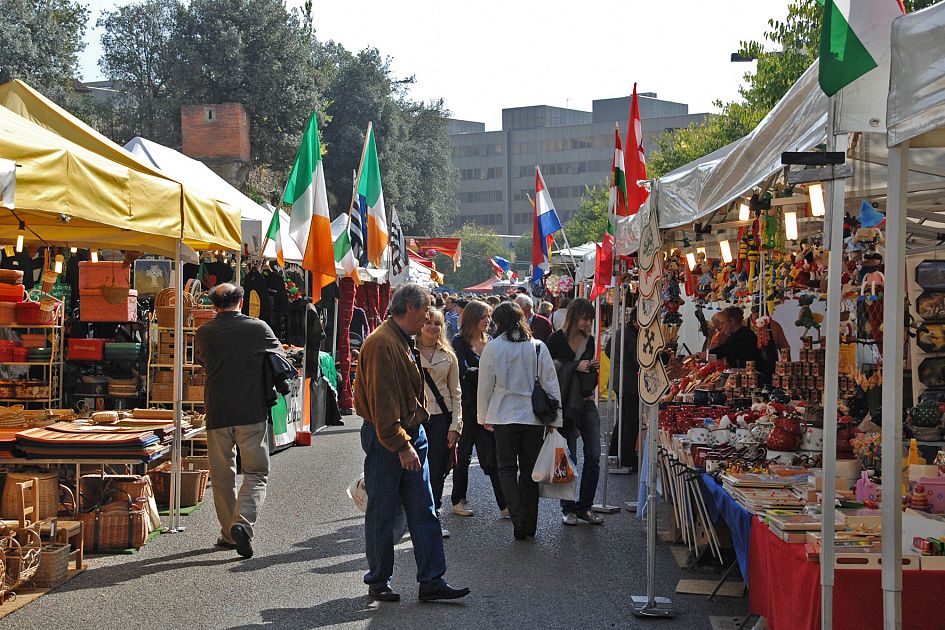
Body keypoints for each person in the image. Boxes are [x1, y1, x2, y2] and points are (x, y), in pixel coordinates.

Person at [354, 284, 470, 603]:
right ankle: (379, 580)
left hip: (407, 435)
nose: (430, 315)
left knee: (424, 510)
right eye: (426, 309)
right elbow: (384, 403)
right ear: (409, 308)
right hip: (390, 439)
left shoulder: (400, 339)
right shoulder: (382, 342)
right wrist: (402, 444)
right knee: (383, 512)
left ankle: (432, 579)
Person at [195, 284, 283, 559]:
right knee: (256, 473)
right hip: (251, 411)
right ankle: (241, 523)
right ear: (242, 301)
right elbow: (280, 358)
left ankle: (229, 533)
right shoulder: (259, 328)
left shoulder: (204, 333)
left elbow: (202, 362)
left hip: (218, 412)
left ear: (214, 305)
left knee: (222, 477)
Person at [478, 302, 562, 541]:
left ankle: (518, 520)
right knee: (529, 471)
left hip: (504, 414)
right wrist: (556, 418)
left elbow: (485, 385)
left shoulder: (493, 348)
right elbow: (550, 383)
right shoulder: (538, 347)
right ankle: (530, 523)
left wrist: (482, 416)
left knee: (506, 468)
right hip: (533, 417)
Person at [545, 298, 605, 526]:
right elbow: (547, 369)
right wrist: (573, 366)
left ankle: (585, 506)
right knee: (567, 456)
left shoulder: (589, 341)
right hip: (563, 404)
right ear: (574, 317)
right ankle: (567, 507)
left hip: (585, 400)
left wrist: (591, 369)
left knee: (593, 455)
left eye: (590, 319)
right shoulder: (556, 339)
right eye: (585, 318)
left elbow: (589, 375)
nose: (588, 323)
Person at [450, 300, 507, 519]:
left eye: (489, 316)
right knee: (462, 457)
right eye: (484, 316)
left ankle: (504, 505)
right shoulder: (459, 341)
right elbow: (464, 371)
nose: (488, 321)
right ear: (473, 318)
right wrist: (488, 372)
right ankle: (457, 500)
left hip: (488, 407)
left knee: (491, 459)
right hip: (466, 407)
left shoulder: (491, 341)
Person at [416, 306, 463, 536]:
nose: (433, 327)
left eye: (438, 323)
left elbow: (456, 393)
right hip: (415, 417)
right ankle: (413, 516)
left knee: (436, 470)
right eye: (428, 323)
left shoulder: (448, 355)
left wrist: (456, 426)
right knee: (412, 469)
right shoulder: (407, 350)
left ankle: (433, 516)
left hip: (441, 418)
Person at [609, 307, 640, 471]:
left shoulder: (623, 331)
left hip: (622, 381)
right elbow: (638, 359)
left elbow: (608, 350)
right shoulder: (630, 334)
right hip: (628, 383)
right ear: (635, 321)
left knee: (625, 418)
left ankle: (615, 452)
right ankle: (626, 456)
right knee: (630, 420)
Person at [751, 305, 791, 384]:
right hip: (751, 373)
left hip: (771, 372)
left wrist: (786, 371)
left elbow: (785, 349)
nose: (761, 322)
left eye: (764, 318)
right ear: (752, 314)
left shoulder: (774, 326)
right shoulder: (744, 324)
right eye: (757, 317)